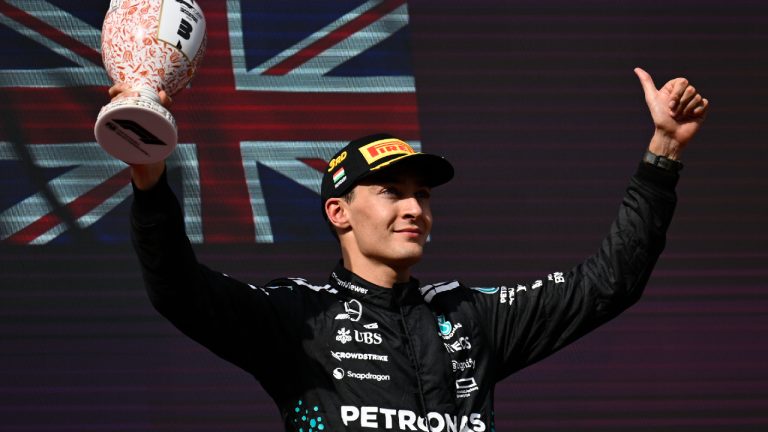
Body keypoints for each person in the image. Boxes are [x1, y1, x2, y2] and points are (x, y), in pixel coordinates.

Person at [117, 67, 708, 431]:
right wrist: (149, 182)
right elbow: (179, 289)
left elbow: (609, 284)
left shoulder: (471, 315)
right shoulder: (296, 316)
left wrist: (663, 153)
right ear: (338, 212)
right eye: (391, 192)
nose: (414, 209)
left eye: (421, 194)